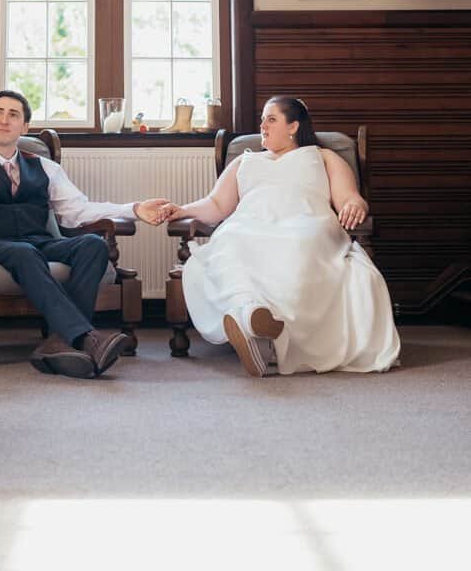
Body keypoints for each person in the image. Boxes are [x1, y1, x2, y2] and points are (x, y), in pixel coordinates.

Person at [0, 89, 167, 380]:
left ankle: (60, 342)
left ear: (24, 127)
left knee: (93, 245)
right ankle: (85, 338)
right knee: (25, 252)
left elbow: (77, 211)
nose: (4, 120)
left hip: (41, 240)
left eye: (13, 115)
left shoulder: (45, 167)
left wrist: (134, 208)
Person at [157, 96, 401, 377]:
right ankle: (253, 316)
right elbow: (216, 205)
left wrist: (354, 206)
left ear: (293, 126)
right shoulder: (244, 161)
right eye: (262, 120)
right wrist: (182, 210)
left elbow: (349, 197)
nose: (263, 125)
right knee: (229, 242)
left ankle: (265, 334)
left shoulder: (322, 157)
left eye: (271, 119)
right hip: (249, 224)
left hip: (306, 223)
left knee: (298, 245)